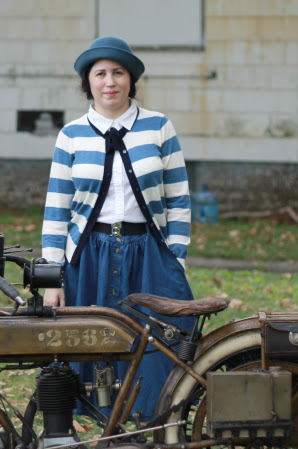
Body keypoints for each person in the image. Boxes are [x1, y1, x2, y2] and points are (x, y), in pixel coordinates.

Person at [41, 36, 194, 422]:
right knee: (90, 349)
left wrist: (176, 257)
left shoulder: (159, 127)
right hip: (89, 256)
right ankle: (103, 443)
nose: (110, 82)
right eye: (101, 74)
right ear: (88, 82)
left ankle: (156, 432)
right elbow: (57, 209)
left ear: (130, 79)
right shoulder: (71, 136)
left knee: (160, 347)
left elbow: (178, 199)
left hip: (148, 254)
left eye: (118, 72)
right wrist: (52, 277)